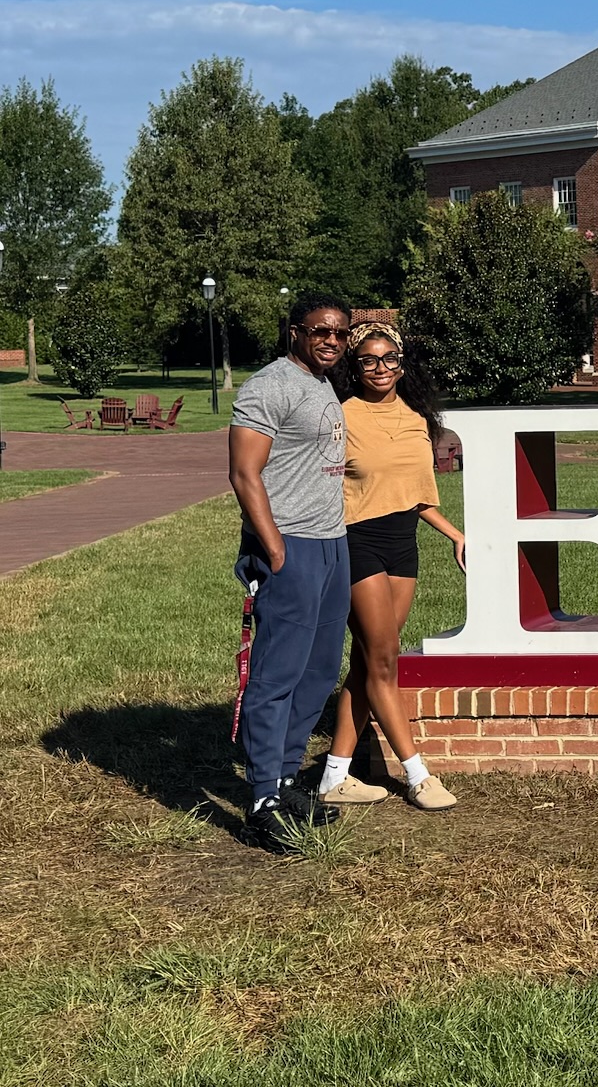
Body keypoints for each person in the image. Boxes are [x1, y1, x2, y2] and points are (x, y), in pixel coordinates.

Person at [315, 321, 465, 812]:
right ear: (354, 367)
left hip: (403, 545)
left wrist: (454, 534)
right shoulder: (340, 415)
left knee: (368, 663)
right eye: (368, 360)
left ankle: (334, 776)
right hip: (355, 541)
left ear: (402, 364)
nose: (380, 368)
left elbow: (417, 495)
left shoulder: (418, 419)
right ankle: (419, 776)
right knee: (384, 661)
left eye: (389, 359)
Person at [227, 293, 353, 851]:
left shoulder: (321, 383)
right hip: (291, 546)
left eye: (340, 333)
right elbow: (243, 472)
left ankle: (283, 780)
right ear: (295, 332)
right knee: (277, 674)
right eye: (320, 331)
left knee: (319, 671)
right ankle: (261, 802)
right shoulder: (270, 386)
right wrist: (274, 548)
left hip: (331, 543)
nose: (331, 340)